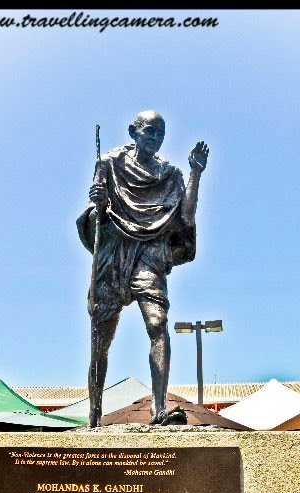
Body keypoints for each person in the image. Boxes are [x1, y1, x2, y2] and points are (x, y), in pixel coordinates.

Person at [77, 110, 209, 427]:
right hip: (115, 251)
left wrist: (195, 173)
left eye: (160, 134)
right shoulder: (109, 163)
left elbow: (186, 218)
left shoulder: (171, 174)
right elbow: (96, 218)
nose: (154, 138)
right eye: (149, 131)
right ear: (134, 132)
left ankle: (159, 409)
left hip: (150, 252)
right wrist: (98, 204)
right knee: (101, 338)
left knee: (158, 323)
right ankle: (94, 414)